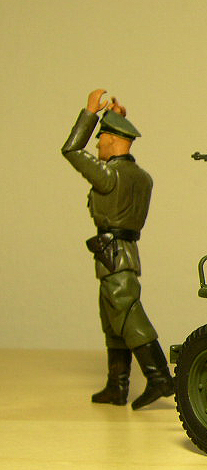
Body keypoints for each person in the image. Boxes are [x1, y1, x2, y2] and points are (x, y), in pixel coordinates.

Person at [62, 88, 174, 409]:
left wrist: (90, 114)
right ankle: (117, 385)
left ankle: (159, 377)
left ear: (111, 140)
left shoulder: (109, 175)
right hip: (121, 252)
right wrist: (115, 119)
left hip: (114, 255)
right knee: (113, 321)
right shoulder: (142, 178)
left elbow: (71, 149)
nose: (97, 145)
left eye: (100, 139)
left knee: (128, 315)